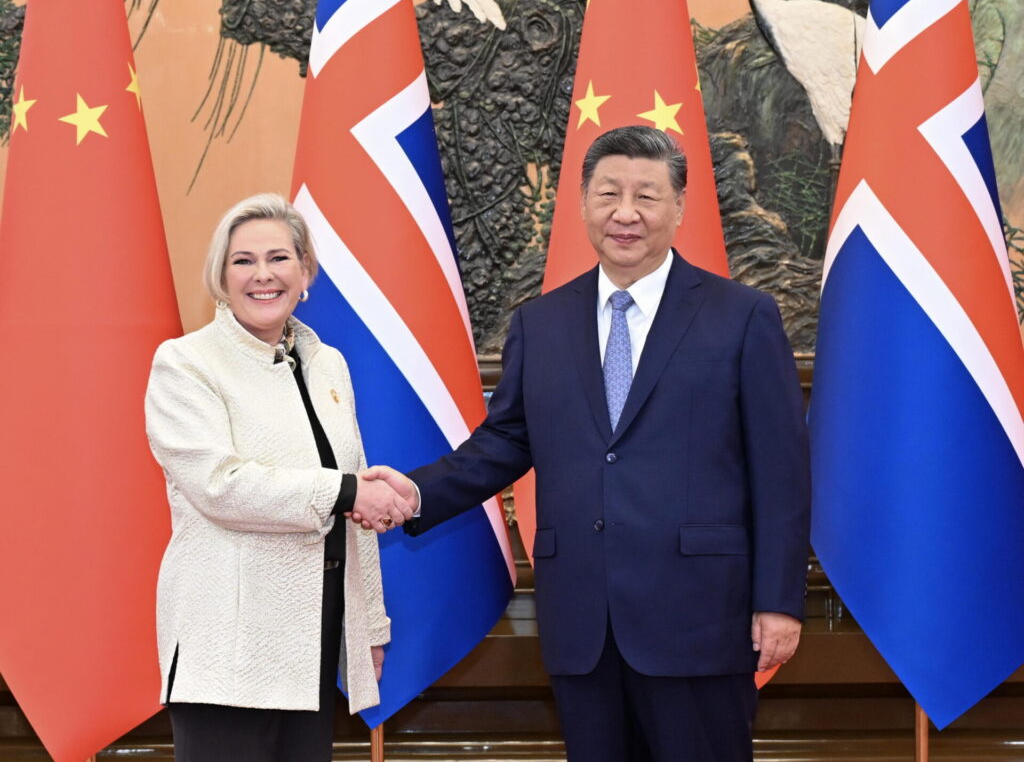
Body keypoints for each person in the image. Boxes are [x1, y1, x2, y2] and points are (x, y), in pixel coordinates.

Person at [362, 127, 811, 761]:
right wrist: (414, 492)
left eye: (647, 196)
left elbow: (782, 474)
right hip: (582, 620)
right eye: (608, 193)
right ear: (582, 203)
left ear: (679, 208)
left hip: (700, 618)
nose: (625, 213)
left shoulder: (742, 316)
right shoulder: (541, 322)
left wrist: (778, 603)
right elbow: (507, 440)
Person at [144, 193, 417, 762]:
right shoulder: (185, 363)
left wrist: (370, 625)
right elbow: (221, 485)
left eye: (279, 258)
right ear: (220, 276)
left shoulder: (328, 363)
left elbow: (357, 502)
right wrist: (346, 492)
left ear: (306, 272)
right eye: (242, 260)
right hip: (227, 647)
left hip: (312, 639)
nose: (262, 275)